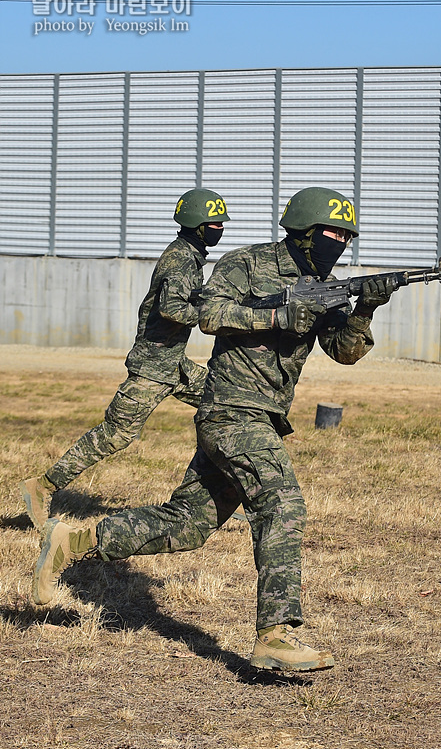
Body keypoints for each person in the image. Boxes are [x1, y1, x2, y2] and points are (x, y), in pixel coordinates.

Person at [31, 187, 395, 673]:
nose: (341, 244)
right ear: (305, 233)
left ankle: (71, 542)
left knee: (187, 524)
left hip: (261, 416)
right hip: (230, 410)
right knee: (281, 503)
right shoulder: (248, 264)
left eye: (347, 237)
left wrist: (366, 309)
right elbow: (206, 314)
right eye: (333, 233)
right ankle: (277, 635)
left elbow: (344, 351)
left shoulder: (324, 285)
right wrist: (276, 315)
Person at [21, 188, 229, 529]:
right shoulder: (180, 260)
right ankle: (41, 487)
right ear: (197, 223)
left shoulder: (188, 255)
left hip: (174, 365)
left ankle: (216, 494)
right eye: (215, 222)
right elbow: (172, 308)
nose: (220, 228)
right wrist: (213, 313)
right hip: (152, 369)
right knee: (116, 434)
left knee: (225, 408)